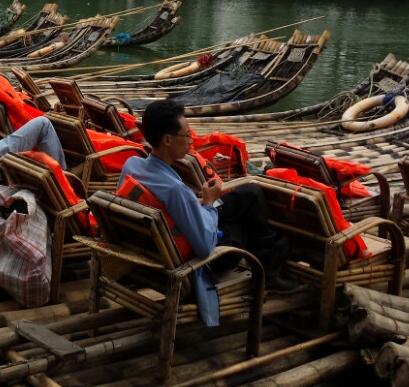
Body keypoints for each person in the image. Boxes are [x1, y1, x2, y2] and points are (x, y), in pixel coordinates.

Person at [119, 99, 297, 310]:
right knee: (247, 214)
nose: (190, 141)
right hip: (195, 260)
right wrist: (209, 203)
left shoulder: (133, 165)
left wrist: (201, 202)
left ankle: (272, 252)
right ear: (167, 140)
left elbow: (168, 205)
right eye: (186, 135)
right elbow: (204, 246)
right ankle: (268, 268)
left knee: (250, 193)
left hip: (160, 241)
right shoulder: (175, 190)